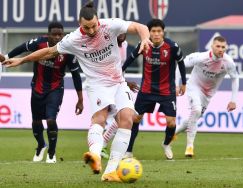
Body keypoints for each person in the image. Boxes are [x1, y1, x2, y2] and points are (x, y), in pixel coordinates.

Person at [2, 1, 151, 182]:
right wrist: (21, 60)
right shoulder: (73, 39)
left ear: (98, 21)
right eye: (86, 27)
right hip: (97, 84)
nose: (91, 31)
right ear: (80, 25)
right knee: (100, 118)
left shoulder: (109, 25)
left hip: (118, 82)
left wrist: (144, 39)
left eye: (94, 26)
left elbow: (139, 26)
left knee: (127, 119)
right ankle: (95, 154)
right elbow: (49, 52)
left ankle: (110, 172)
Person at [0, 22, 83, 164]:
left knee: (51, 120)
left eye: (60, 34)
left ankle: (51, 152)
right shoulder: (39, 43)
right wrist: (7, 56)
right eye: (54, 34)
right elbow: (22, 47)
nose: (57, 37)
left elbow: (76, 75)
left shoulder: (68, 50)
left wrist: (80, 99)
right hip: (37, 88)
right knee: (36, 121)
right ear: (48, 34)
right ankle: (41, 145)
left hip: (55, 89)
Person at [122, 19, 187, 160]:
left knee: (171, 122)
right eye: (153, 31)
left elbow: (181, 62)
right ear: (149, 32)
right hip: (147, 89)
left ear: (163, 32)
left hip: (166, 90)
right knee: (136, 118)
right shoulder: (144, 45)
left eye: (159, 31)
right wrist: (120, 73)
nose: (156, 34)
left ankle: (166, 144)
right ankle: (128, 150)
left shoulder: (172, 47)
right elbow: (129, 59)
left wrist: (183, 83)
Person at [175, 36, 239, 157]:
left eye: (223, 47)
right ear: (212, 46)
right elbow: (180, 64)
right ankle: (189, 146)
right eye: (218, 46)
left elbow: (235, 78)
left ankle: (172, 133)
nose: (221, 49)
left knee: (194, 117)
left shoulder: (228, 62)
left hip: (208, 94)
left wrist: (233, 100)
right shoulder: (200, 57)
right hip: (194, 87)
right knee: (196, 110)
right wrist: (177, 84)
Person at [100, 33, 139, 159]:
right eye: (118, 32)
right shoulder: (107, 48)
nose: (121, 35)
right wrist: (126, 83)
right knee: (122, 117)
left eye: (124, 32)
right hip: (107, 86)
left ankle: (102, 144)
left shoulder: (125, 45)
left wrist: (124, 82)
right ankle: (101, 146)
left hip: (119, 85)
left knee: (127, 117)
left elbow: (120, 69)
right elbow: (109, 72)